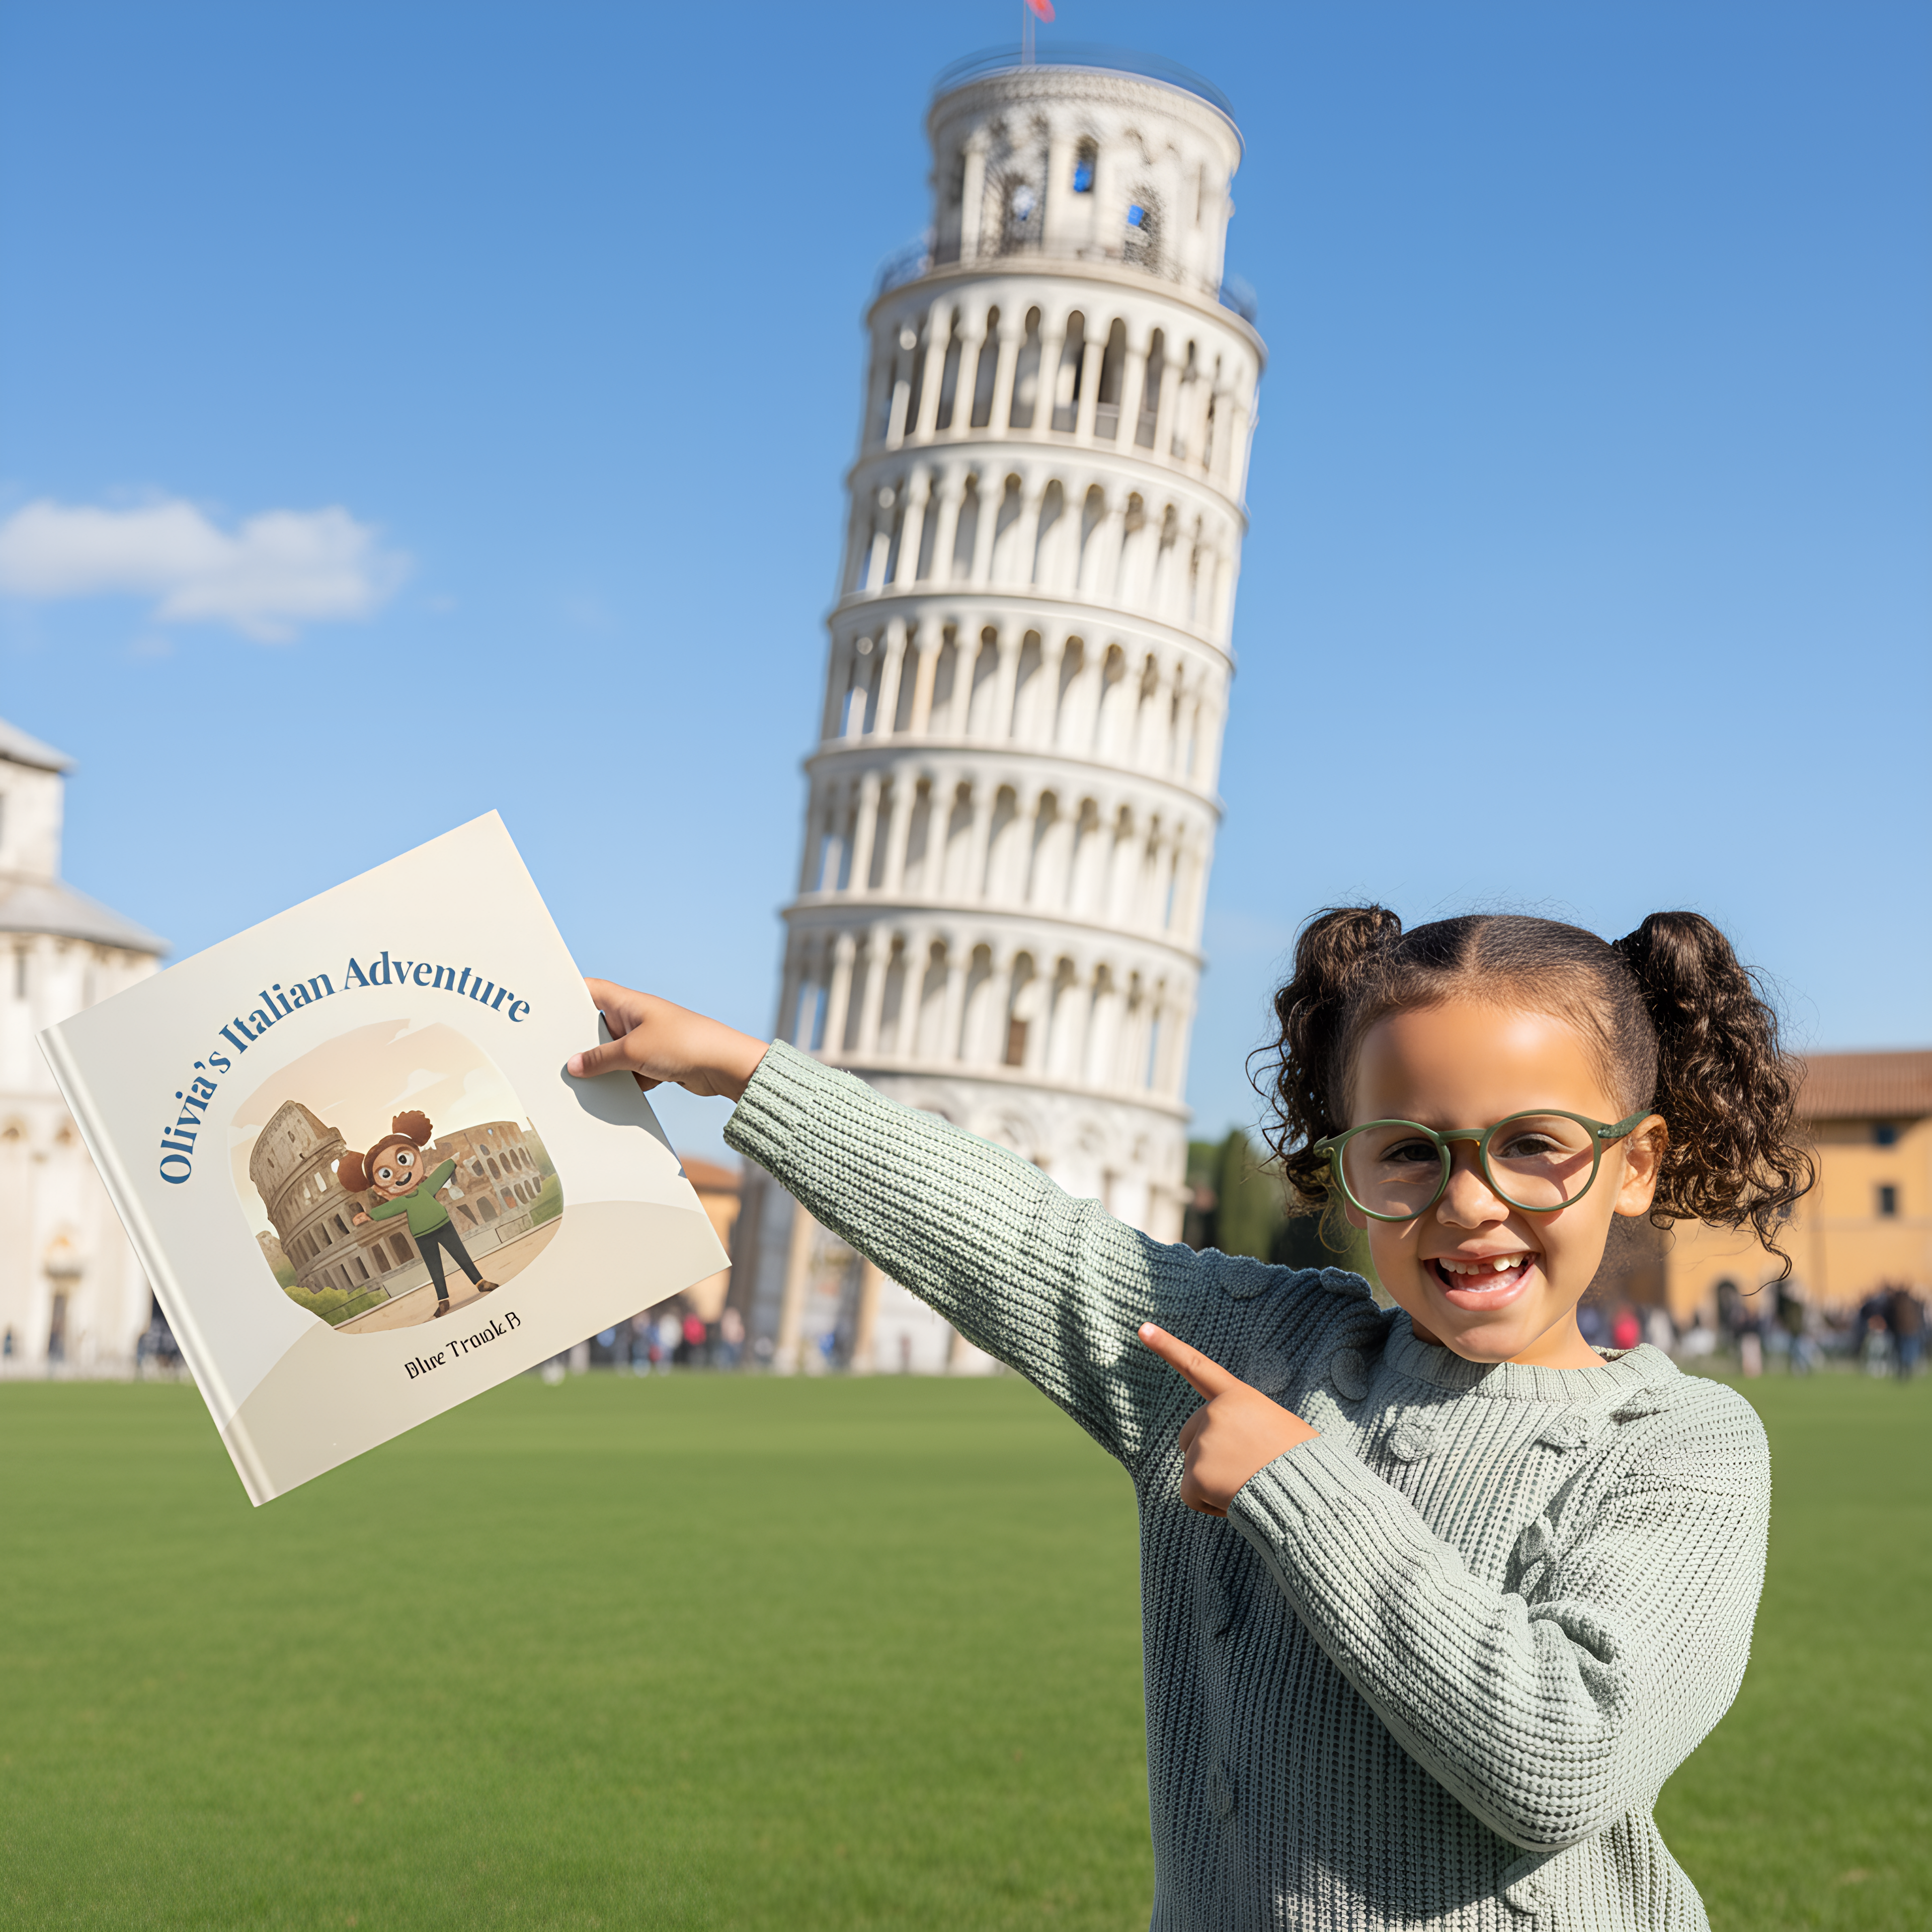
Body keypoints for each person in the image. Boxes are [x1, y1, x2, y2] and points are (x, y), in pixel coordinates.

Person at [568, 909, 1813, 1931]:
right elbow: (1024, 1240)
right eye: (1407, 1152)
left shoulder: (1678, 1445)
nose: (1470, 1201)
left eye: (1534, 1145)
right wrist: (739, 1067)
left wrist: (1295, 1483)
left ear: (1637, 1161)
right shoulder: (1255, 1343)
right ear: (1342, 1171)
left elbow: (1557, 1757)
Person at [342, 1110, 496, 1320]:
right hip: (423, 1235)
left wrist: (453, 1162)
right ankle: (443, 1301)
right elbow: (388, 1210)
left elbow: (440, 1175)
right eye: (386, 1174)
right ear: (379, 1189)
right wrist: (370, 1216)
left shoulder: (426, 1189)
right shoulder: (402, 1201)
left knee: (461, 1255)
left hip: (443, 1225)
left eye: (403, 1159)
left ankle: (480, 1283)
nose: (399, 1174)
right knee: (435, 1268)